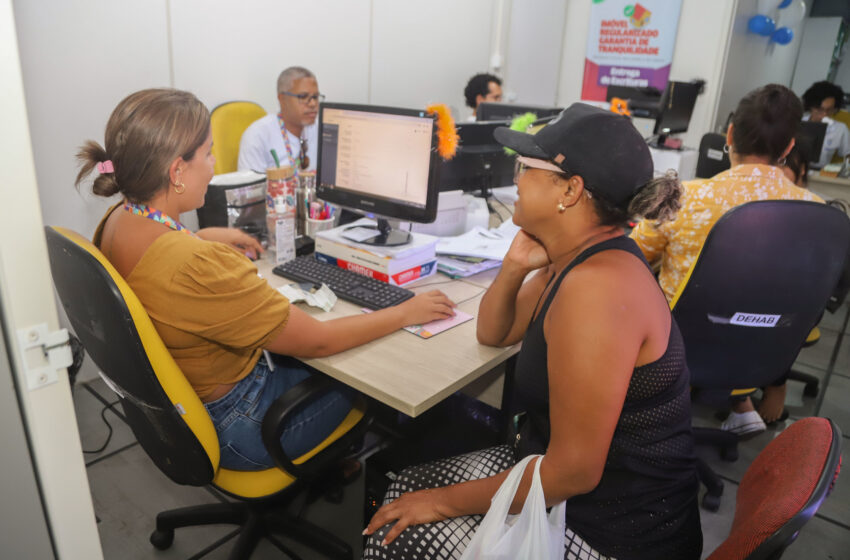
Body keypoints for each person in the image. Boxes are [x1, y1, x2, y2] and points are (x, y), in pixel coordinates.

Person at [363, 104, 702, 560]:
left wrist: (439, 503)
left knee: (401, 533)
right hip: (565, 478)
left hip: (615, 531)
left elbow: (573, 474)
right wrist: (515, 265)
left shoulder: (597, 291)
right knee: (400, 488)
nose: (516, 179)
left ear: (571, 189)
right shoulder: (578, 254)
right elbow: (493, 332)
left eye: (526, 168)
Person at [75, 88, 456, 471]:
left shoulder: (119, 219)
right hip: (243, 425)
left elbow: (158, 269)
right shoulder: (195, 265)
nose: (213, 163)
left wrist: (202, 237)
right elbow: (319, 342)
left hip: (184, 411)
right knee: (371, 376)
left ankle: (329, 463)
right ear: (176, 171)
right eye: (208, 153)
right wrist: (406, 311)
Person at [631, 84, 823, 435]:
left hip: (676, 349)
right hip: (764, 353)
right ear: (790, 147)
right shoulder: (817, 212)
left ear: (730, 133)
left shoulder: (682, 197)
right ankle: (738, 403)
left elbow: (628, 258)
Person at [237, 66, 321, 175]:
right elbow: (249, 190)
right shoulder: (257, 135)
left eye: (315, 97)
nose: (313, 104)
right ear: (282, 99)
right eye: (303, 97)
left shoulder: (322, 130)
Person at [801, 81, 850, 168]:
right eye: (820, 109)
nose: (824, 114)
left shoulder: (840, 129)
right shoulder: (797, 123)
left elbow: (847, 154)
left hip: (820, 173)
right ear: (810, 106)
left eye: (829, 110)